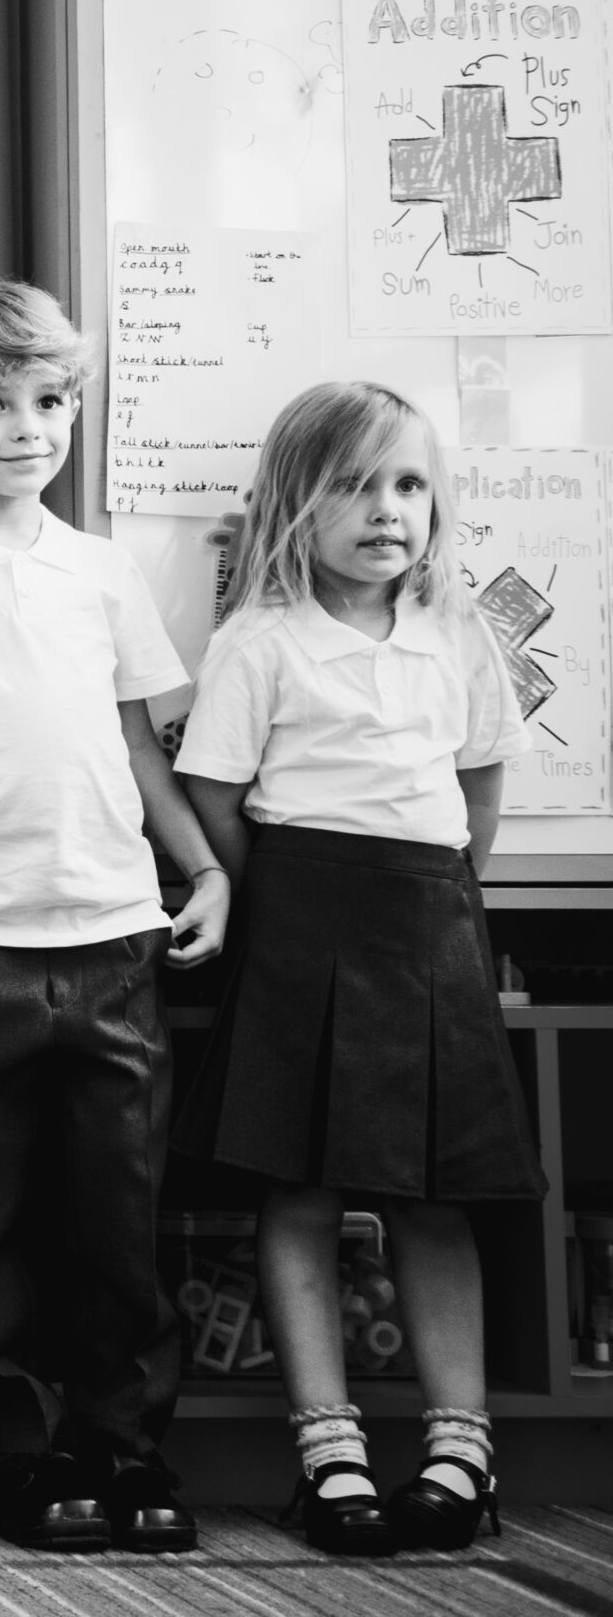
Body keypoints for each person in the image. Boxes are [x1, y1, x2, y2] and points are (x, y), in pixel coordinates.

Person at [0, 282, 226, 1553]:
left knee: (118, 1219)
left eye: (51, 401)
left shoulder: (101, 569)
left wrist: (206, 870)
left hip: (117, 933)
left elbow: (136, 742)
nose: (29, 429)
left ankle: (126, 1449)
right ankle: (22, 1456)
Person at [174, 380, 543, 1555]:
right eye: (352, 485)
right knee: (299, 1190)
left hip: (432, 923)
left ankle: (457, 1450)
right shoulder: (259, 642)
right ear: (295, 502)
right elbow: (214, 799)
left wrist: (436, 904)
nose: (385, 510)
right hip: (297, 924)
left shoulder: (457, 636)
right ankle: (326, 1450)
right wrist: (289, 898)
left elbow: (479, 795)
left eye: (408, 484)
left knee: (434, 1194)